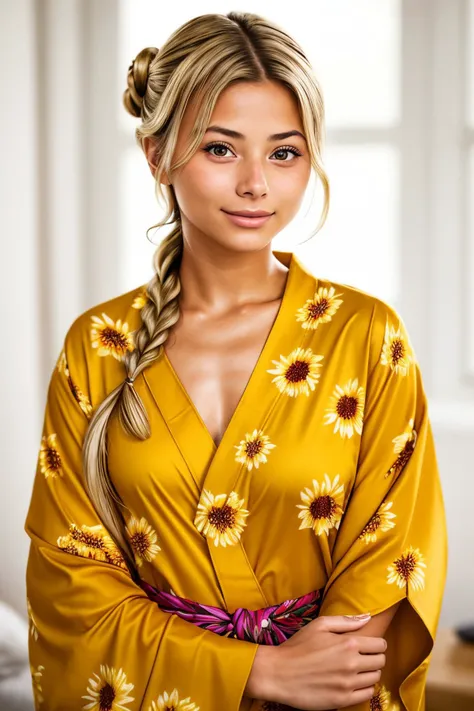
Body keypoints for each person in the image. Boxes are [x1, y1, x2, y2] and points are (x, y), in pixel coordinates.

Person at [24, 10, 447, 711]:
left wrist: (322, 677)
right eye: (221, 149)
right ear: (156, 153)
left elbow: (395, 553)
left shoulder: (367, 335)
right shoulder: (95, 346)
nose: (257, 184)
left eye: (284, 153)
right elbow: (71, 580)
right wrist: (256, 671)